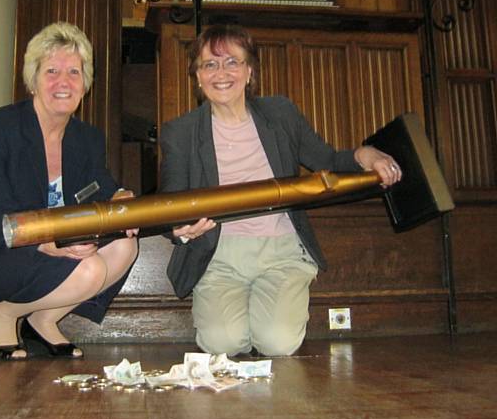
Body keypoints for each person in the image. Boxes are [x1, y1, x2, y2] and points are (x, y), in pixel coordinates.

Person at [160, 24, 401, 357]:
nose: (221, 73)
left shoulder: (281, 113)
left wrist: (366, 154)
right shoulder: (180, 132)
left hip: (282, 252)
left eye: (232, 62)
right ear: (198, 77)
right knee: (222, 344)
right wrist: (181, 230)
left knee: (278, 344)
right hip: (219, 256)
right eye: (209, 64)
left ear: (249, 71)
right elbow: (170, 203)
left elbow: (326, 159)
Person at [0, 22, 138, 360]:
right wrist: (50, 243)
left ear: (85, 83)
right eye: (52, 71)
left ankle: (43, 319)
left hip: (52, 247)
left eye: (74, 72)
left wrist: (121, 198)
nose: (64, 82)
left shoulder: (87, 138)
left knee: (124, 246)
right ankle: (1, 313)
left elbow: (100, 188)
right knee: (89, 269)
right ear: (33, 79)